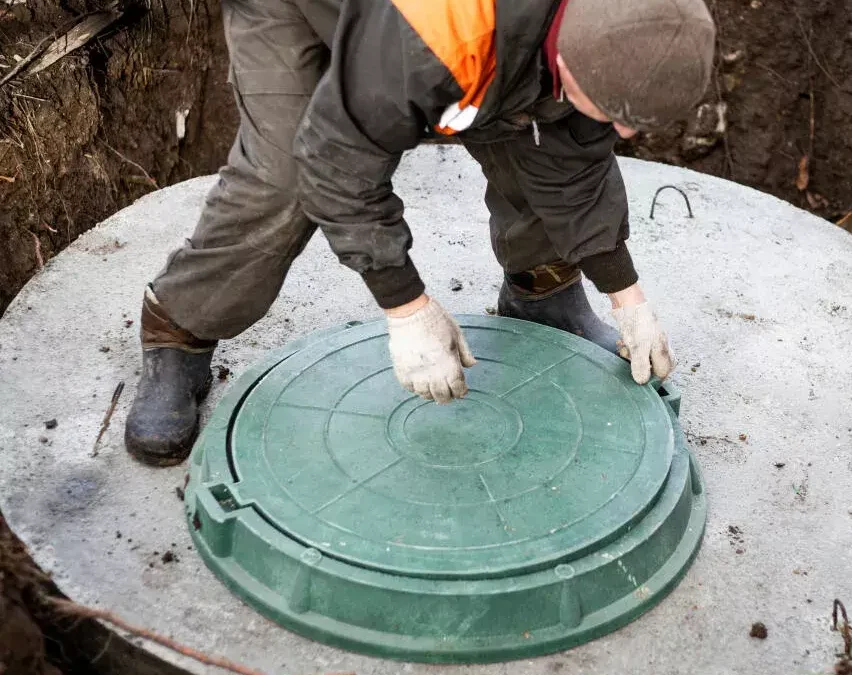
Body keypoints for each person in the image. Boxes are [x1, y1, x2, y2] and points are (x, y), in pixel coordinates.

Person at [124, 0, 716, 466]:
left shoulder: (621, 21)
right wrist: (407, 309)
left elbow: (573, 160)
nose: (625, 132)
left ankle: (543, 290)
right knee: (281, 181)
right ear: (566, 53)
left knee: (541, 129)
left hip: (473, 37)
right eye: (616, 112)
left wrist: (626, 293)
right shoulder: (446, 31)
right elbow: (337, 163)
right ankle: (180, 328)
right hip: (304, 9)